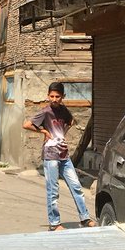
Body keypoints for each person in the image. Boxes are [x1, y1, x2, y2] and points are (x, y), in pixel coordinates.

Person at [23, 81, 95, 231]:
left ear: (63, 96)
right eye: (52, 96)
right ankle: (54, 223)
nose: (54, 99)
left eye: (57, 96)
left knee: (76, 186)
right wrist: (44, 131)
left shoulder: (64, 110)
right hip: (50, 155)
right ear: (48, 96)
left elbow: (71, 121)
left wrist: (62, 134)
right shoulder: (45, 112)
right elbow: (26, 124)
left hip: (64, 155)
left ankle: (85, 218)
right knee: (53, 190)